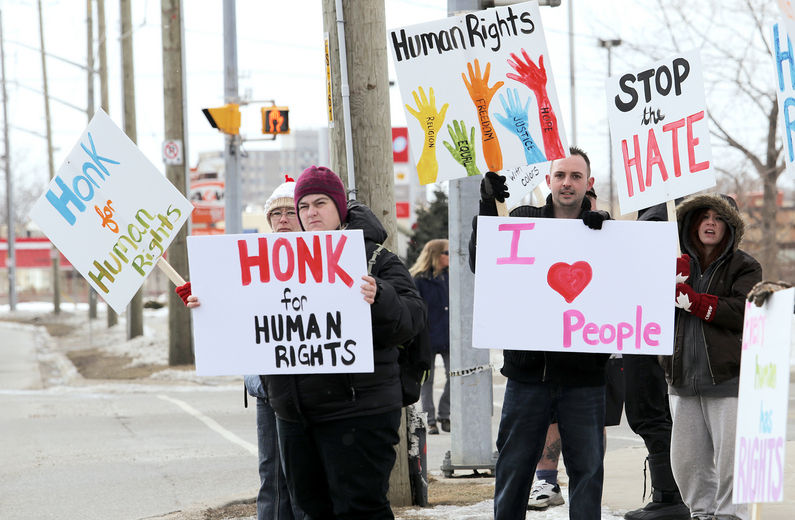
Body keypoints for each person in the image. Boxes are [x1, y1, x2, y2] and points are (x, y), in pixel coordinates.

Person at [266, 165, 426, 519]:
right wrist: (206, 302)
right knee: (310, 511)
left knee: (360, 510)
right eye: (303, 206)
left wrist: (379, 295)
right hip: (296, 415)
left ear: (339, 207)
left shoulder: (375, 258)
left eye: (319, 203)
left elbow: (412, 319)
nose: (310, 212)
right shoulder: (277, 267)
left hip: (359, 411)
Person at [469, 147, 611, 520]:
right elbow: (480, 262)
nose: (568, 183)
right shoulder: (522, 218)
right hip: (528, 374)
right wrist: (486, 206)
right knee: (514, 469)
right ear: (548, 180)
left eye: (576, 177)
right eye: (561, 175)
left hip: (584, 377)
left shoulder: (603, 230)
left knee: (588, 471)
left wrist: (607, 233)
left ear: (588, 183)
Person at [175, 175, 306, 520]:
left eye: (290, 213)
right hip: (266, 387)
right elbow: (230, 307)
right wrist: (202, 298)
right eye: (275, 215)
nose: (282, 221)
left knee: (305, 482)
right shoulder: (253, 261)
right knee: (272, 478)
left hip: (313, 389)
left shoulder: (324, 264)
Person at [525, 187, 624, 513]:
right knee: (551, 418)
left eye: (590, 204)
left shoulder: (609, 235)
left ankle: (587, 478)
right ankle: (547, 479)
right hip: (550, 353)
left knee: (596, 428)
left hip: (599, 354)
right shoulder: (548, 234)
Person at [663, 193, 762, 520]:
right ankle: (701, 515)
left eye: (718, 218)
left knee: (733, 464)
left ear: (730, 226)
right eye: (703, 216)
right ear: (691, 222)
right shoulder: (672, 263)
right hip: (682, 382)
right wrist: (664, 283)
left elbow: (743, 311)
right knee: (688, 465)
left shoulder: (745, 266)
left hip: (727, 380)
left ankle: (732, 516)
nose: (710, 223)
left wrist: (698, 302)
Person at [621, 201, 689, 520]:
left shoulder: (664, 214)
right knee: (649, 412)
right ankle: (668, 494)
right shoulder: (653, 212)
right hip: (644, 328)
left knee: (652, 411)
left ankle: (670, 496)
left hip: (654, 330)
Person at [409, 238, 450, 435]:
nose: (450, 257)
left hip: (449, 337)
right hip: (427, 337)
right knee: (427, 380)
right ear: (436, 255)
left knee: (455, 377)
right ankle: (430, 419)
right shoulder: (419, 279)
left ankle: (445, 414)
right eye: (447, 253)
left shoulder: (451, 277)